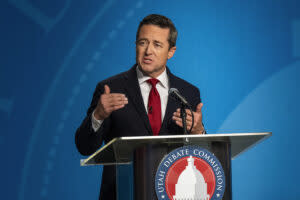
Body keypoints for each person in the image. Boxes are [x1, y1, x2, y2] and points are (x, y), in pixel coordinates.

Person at [75, 14, 205, 200]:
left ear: (171, 51)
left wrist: (199, 132)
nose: (148, 51)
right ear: (136, 45)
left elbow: (199, 157)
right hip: (122, 193)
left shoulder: (187, 93)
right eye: (143, 42)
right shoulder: (110, 88)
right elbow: (84, 146)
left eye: (157, 44)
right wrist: (98, 116)